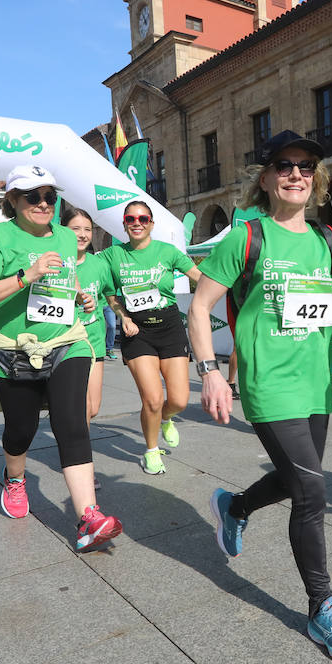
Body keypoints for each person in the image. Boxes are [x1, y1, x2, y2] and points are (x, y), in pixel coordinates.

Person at [188, 129, 332, 660]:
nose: (296, 174)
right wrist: (210, 372)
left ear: (316, 178)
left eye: (306, 166)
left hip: (314, 383)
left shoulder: (326, 240)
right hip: (268, 382)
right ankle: (322, 607)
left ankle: (235, 506)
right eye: (284, 165)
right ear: (265, 179)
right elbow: (199, 306)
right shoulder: (246, 237)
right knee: (311, 494)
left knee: (293, 480)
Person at [0, 164, 121, 550]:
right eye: (32, 196)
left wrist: (80, 296)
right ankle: (15, 479)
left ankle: (88, 516)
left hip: (67, 341)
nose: (43, 203)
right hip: (12, 348)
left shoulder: (66, 237)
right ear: (12, 200)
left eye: (50, 196)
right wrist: (27, 275)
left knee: (72, 423)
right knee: (21, 430)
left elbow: (66, 281)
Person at [104, 198, 202, 475]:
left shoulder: (167, 251)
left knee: (179, 400)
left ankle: (166, 418)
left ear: (151, 224)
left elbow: (199, 276)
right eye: (131, 219)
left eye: (142, 219)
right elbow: (110, 295)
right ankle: (151, 450)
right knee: (153, 399)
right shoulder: (113, 255)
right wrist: (123, 316)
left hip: (169, 326)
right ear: (124, 224)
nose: (137, 223)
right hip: (138, 330)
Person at [62, 204, 114, 423]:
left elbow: (110, 296)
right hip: (66, 343)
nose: (82, 235)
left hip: (94, 342)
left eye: (87, 229)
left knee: (93, 408)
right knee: (81, 407)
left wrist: (125, 317)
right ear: (63, 231)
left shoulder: (100, 265)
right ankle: (77, 445)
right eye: (75, 229)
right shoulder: (55, 263)